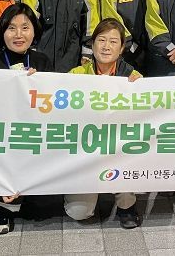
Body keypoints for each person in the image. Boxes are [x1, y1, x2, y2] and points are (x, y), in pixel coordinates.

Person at [0, 4, 51, 233]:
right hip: (4, 144)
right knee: (6, 198)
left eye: (25, 28)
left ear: (34, 32)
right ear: (2, 33)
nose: (19, 35)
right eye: (11, 28)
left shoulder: (43, 62)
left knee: (42, 205)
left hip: (33, 139)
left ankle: (22, 199)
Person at [66, 19, 143, 228]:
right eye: (101, 40)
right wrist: (34, 80)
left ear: (122, 48)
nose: (106, 46)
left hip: (118, 150)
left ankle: (127, 205)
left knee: (127, 156)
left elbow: (145, 119)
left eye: (113, 41)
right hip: (86, 152)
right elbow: (55, 107)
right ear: (92, 44)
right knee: (78, 213)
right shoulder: (76, 75)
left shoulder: (134, 78)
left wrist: (140, 91)